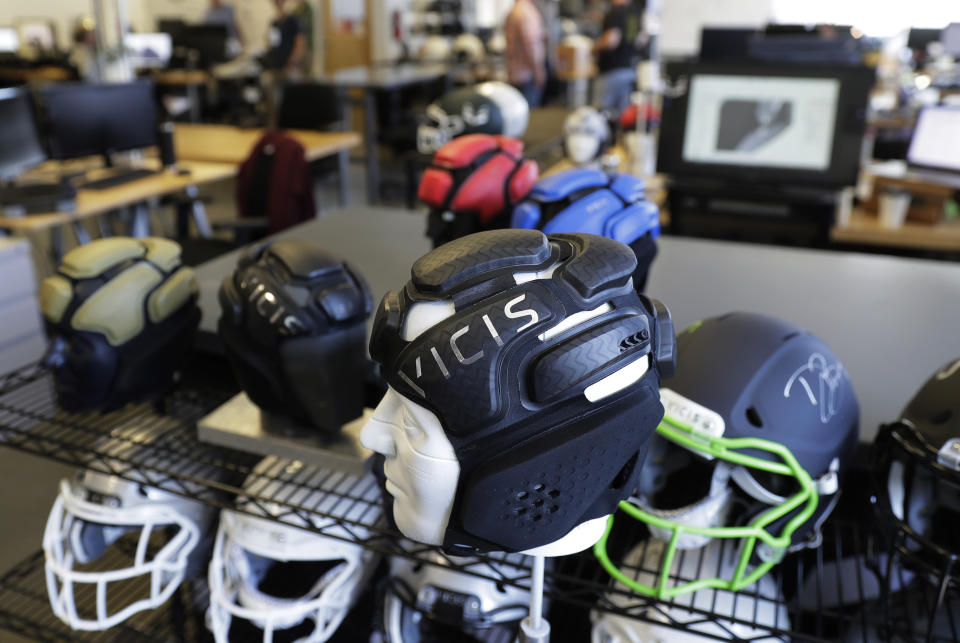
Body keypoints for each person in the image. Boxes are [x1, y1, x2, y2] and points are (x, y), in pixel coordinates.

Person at [593, 0, 647, 112]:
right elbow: (641, 40)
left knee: (602, 116)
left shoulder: (616, 12)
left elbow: (611, 40)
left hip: (612, 71)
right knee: (623, 115)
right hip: (630, 70)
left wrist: (593, 47)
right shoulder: (636, 12)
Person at [504, 0, 546, 107]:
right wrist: (538, 71)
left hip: (514, 73)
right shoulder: (526, 12)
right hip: (527, 75)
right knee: (531, 114)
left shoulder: (513, 11)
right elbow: (531, 45)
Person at [265, 0, 306, 74]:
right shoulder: (274, 23)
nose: (279, 4)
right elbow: (273, 44)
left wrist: (292, 62)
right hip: (276, 65)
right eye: (277, 2)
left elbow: (299, 44)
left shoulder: (294, 21)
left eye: (281, 2)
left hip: (290, 66)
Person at [289, 0, 314, 75]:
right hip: (296, 48)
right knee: (297, 73)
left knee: (307, 74)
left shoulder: (308, 9)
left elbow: (304, 26)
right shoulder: (294, 11)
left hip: (307, 47)